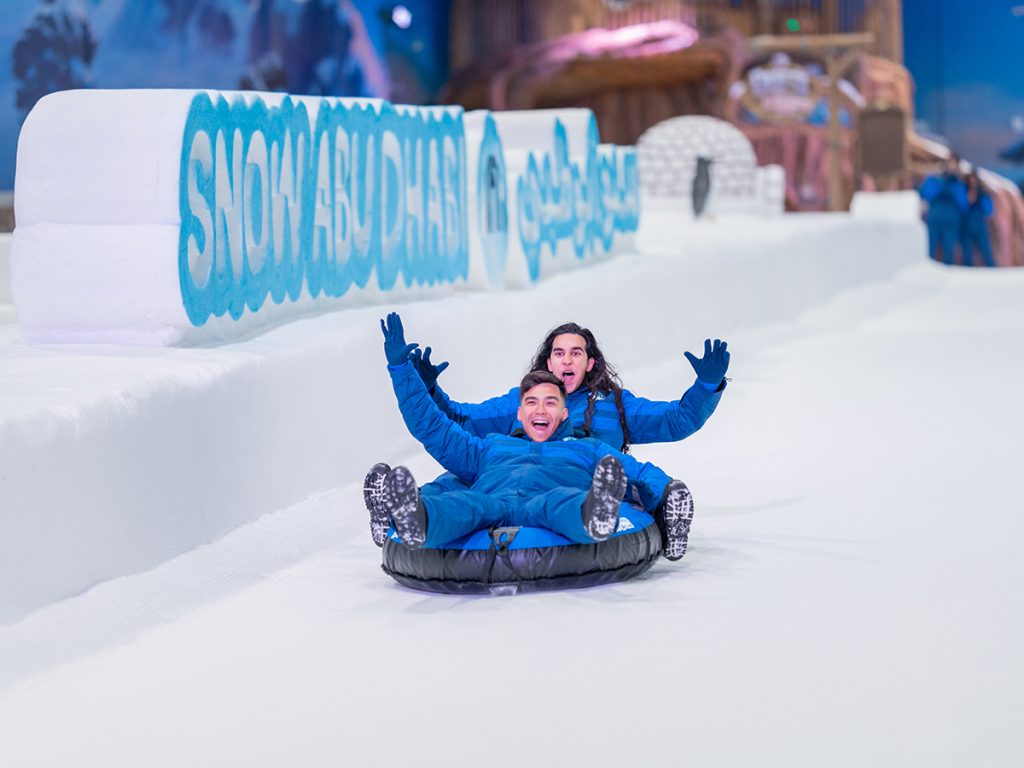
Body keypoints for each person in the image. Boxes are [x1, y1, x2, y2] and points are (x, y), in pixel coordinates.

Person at [366, 313, 728, 560]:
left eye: (575, 353)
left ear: (589, 363)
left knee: (565, 501)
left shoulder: (604, 422)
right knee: (459, 490)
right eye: (559, 353)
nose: (567, 360)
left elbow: (669, 426)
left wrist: (706, 387)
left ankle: (596, 513)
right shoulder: (502, 434)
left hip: (573, 480)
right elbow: (451, 425)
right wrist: (420, 384)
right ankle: (411, 514)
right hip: (501, 480)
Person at [920, 154, 968, 265]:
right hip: (935, 217)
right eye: (950, 163)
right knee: (930, 247)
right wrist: (941, 188)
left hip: (951, 219)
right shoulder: (934, 179)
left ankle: (947, 271)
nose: (952, 167)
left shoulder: (958, 184)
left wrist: (953, 191)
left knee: (949, 249)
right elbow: (925, 194)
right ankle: (927, 269)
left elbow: (963, 204)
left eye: (955, 164)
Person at [961, 172, 995, 267]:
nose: (973, 182)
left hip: (979, 223)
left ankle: (991, 267)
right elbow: (961, 206)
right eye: (971, 180)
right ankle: (967, 268)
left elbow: (989, 210)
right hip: (966, 223)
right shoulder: (963, 190)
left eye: (974, 180)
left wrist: (980, 198)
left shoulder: (983, 193)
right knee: (967, 249)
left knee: (985, 249)